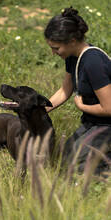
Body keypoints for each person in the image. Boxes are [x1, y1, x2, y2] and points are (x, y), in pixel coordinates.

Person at [44, 6, 111, 173]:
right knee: (65, 157)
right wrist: (38, 110)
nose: (53, 53)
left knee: (79, 167)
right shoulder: (73, 57)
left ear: (72, 41)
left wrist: (82, 107)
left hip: (107, 124)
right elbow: (64, 91)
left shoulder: (93, 62)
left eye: (56, 48)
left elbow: (108, 108)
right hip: (92, 122)